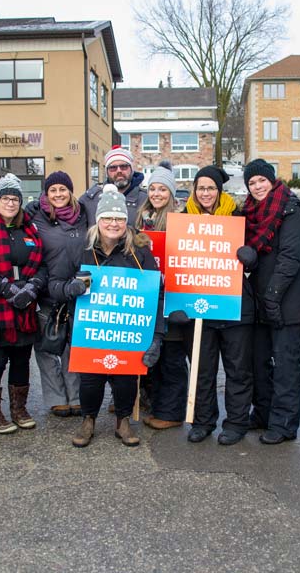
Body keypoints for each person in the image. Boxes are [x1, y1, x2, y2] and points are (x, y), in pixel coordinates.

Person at [70, 186, 164, 448]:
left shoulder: (140, 251)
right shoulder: (82, 248)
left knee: (125, 377)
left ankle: (123, 420)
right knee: (90, 379)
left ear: (126, 221)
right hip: (92, 328)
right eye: (108, 218)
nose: (114, 223)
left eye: (120, 218)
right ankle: (88, 419)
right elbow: (58, 284)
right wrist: (71, 288)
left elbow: (155, 294)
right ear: (98, 220)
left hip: (127, 328)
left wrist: (157, 336)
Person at [183, 166, 257, 445]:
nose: (205, 193)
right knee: (202, 369)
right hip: (198, 307)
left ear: (219, 190)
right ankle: (203, 421)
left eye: (210, 188)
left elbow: (255, 258)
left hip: (234, 304)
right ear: (194, 190)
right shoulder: (184, 219)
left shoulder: (237, 217)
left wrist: (249, 257)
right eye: (201, 188)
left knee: (238, 369)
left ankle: (236, 422)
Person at [242, 160, 300, 445]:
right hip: (261, 301)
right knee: (260, 363)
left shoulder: (290, 211)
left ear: (272, 181)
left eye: (261, 181)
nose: (257, 187)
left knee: (285, 365)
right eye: (252, 183)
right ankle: (264, 412)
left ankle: (284, 424)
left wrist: (272, 296)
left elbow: (290, 258)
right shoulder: (249, 214)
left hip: (289, 302)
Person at [0, 173, 47, 434]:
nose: (11, 203)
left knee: (21, 360)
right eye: (5, 197)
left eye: (15, 198)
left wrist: (32, 287)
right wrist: (5, 288)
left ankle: (19, 409)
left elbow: (41, 265)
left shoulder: (29, 228)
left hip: (25, 303)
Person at [24, 171, 89, 417]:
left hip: (78, 291)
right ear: (46, 193)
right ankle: (56, 398)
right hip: (47, 291)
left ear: (70, 191)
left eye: (63, 189)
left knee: (72, 347)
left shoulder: (83, 214)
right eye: (53, 190)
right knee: (47, 347)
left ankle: (75, 397)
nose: (58, 194)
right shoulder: (34, 216)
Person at [135, 161, 190, 430]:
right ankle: (157, 406)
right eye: (153, 188)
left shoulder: (180, 219)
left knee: (172, 358)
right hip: (149, 299)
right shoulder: (141, 218)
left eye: (162, 189)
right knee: (153, 358)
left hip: (174, 300)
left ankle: (171, 412)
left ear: (171, 193)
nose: (156, 193)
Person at [80, 146, 146, 226]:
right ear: (107, 172)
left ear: (131, 169)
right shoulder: (90, 199)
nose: (119, 171)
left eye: (124, 166)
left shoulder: (146, 200)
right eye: (113, 168)